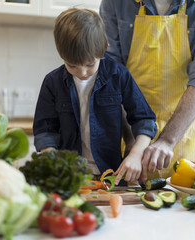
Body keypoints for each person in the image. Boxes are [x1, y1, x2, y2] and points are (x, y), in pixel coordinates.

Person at [99, 0, 195, 181]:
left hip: (188, 134)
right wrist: (132, 141)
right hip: (131, 133)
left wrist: (168, 140)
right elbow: (111, 74)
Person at [33, 8, 157, 185]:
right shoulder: (52, 82)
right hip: (70, 178)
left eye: (90, 64)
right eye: (72, 65)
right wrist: (52, 160)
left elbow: (145, 120)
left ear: (104, 49)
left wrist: (136, 153)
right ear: (61, 55)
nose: (82, 73)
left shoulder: (118, 75)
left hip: (111, 176)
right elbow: (45, 131)